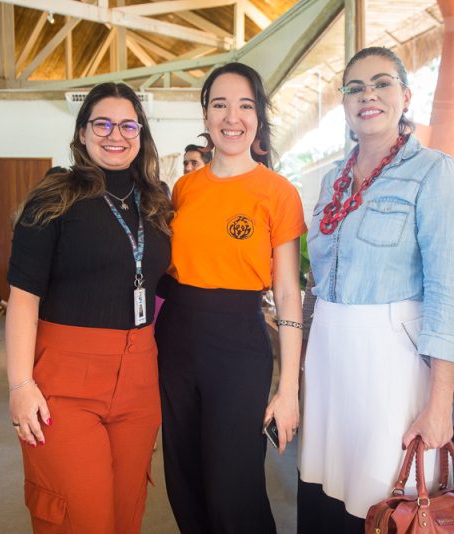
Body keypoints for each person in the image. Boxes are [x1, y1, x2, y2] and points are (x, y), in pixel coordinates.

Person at [297, 46, 454, 533]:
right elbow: (316, 282)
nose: (366, 95)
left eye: (381, 83)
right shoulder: (332, 179)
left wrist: (440, 405)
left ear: (405, 96)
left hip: (389, 361)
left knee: (383, 500)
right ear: (344, 104)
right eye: (354, 87)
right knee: (324, 493)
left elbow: (445, 291)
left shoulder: (435, 173)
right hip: (329, 356)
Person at [5, 82, 172, 534]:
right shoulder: (54, 197)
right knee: (83, 518)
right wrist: (20, 384)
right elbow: (23, 298)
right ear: (82, 133)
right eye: (102, 123)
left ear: (141, 134)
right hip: (65, 381)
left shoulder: (156, 202)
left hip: (140, 378)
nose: (115, 134)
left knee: (125, 514)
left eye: (127, 124)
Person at [156, 62, 306, 533]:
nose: (231, 117)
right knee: (183, 478)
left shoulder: (278, 192)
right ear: (205, 115)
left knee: (233, 485)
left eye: (245, 105)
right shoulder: (183, 189)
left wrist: (288, 390)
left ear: (258, 117)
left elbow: (286, 293)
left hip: (239, 343)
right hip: (177, 337)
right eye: (220, 104)